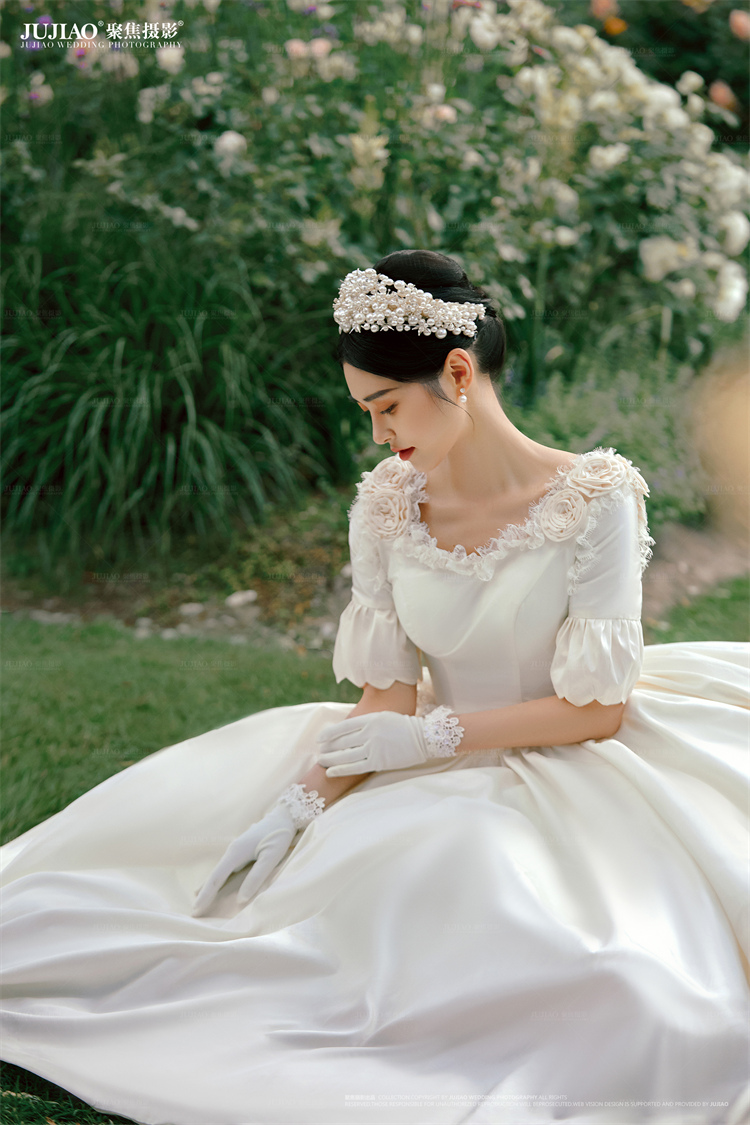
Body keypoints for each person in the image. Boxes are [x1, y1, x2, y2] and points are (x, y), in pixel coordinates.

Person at [1, 249, 748, 1125]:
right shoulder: (386, 503)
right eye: (366, 411)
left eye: (386, 405)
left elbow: (597, 709)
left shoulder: (597, 498)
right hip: (417, 742)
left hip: (565, 753)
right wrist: (299, 804)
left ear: (458, 373)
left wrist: (433, 738)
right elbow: (385, 698)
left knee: (564, 944)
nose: (377, 434)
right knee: (158, 873)